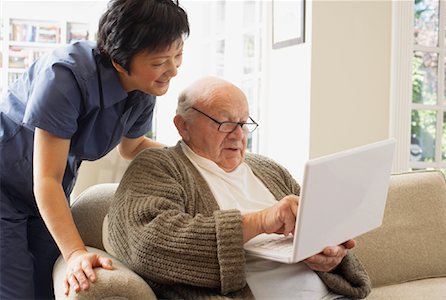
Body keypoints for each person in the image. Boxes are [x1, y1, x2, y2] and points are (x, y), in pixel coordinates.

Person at [106, 76, 372, 299]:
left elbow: (319, 228)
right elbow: (148, 242)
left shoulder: (268, 169)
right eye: (224, 123)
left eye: (243, 123)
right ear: (182, 126)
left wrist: (332, 254)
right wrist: (262, 221)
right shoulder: (159, 166)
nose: (238, 135)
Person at [0, 0, 189, 298]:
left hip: (48, 192)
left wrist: (188, 157)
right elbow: (46, 177)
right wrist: (75, 252)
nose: (173, 70)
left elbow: (133, 146)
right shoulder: (64, 76)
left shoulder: (143, 90)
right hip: (7, 185)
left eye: (178, 55)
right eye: (159, 62)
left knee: (49, 284)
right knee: (17, 289)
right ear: (119, 60)